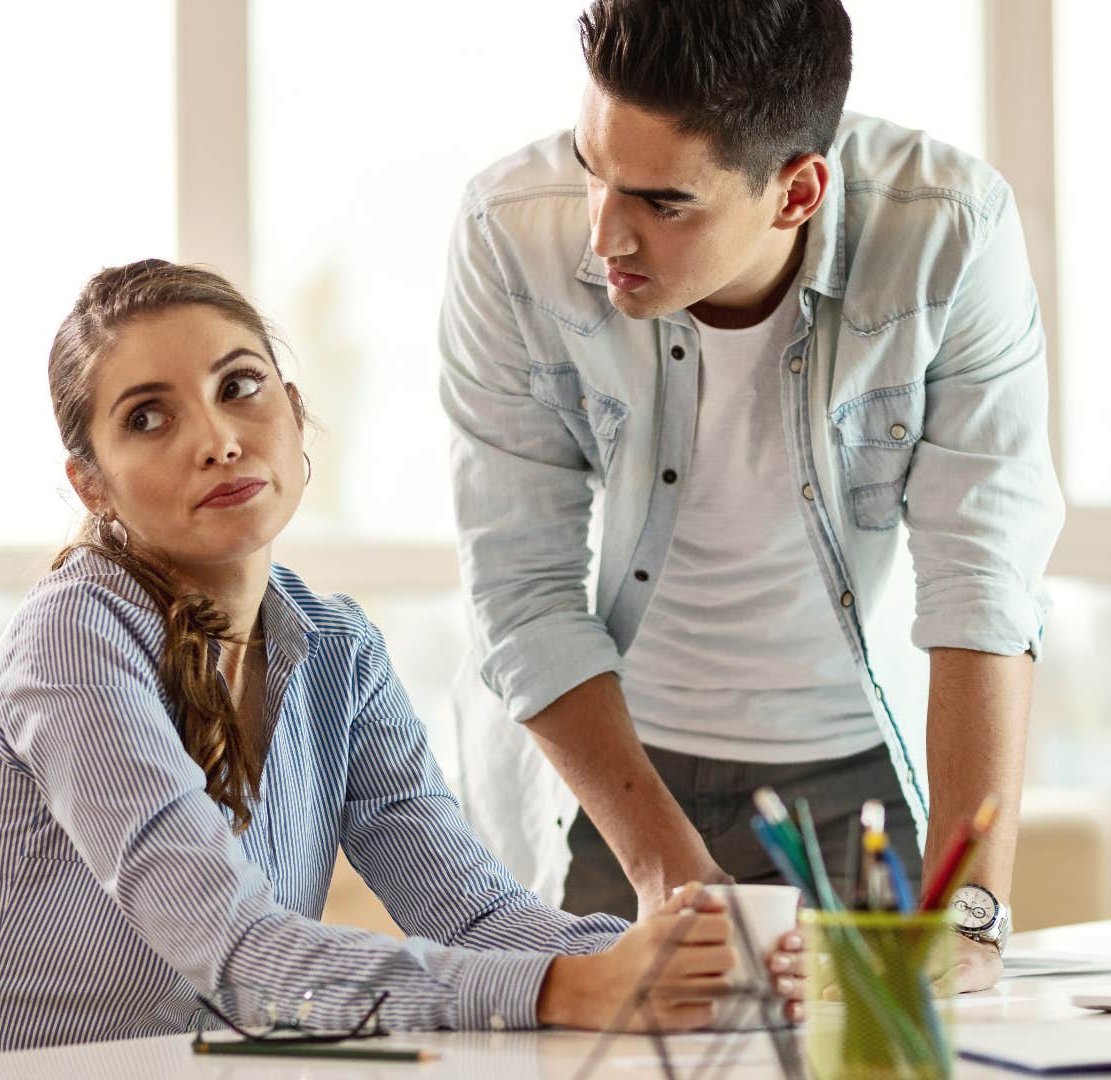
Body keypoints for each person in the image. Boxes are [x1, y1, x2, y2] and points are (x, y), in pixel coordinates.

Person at [0, 260, 802, 1056]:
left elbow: (476, 915)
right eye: (148, 418)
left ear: (295, 417)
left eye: (241, 386)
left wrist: (693, 959)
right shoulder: (75, 638)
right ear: (91, 483)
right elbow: (238, 953)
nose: (218, 439)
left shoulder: (335, 647)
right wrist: (574, 989)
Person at [439, 0, 1064, 993]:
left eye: (662, 202)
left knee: (891, 1047)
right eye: (592, 166)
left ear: (796, 192)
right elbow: (521, 586)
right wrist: (669, 873)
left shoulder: (949, 231)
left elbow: (982, 575)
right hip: (613, 775)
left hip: (857, 773)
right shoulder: (508, 232)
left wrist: (971, 920)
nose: (605, 233)